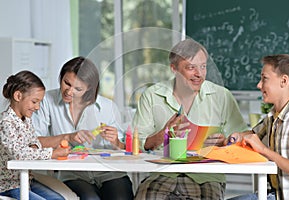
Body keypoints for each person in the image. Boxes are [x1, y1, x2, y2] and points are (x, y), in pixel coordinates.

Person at [132, 38, 248, 199]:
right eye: (191, 68)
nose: (199, 74)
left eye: (203, 67)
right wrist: (163, 134)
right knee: (146, 196)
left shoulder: (222, 96)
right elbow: (136, 144)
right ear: (174, 69)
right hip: (162, 174)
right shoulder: (152, 95)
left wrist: (225, 143)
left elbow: (244, 138)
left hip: (206, 176)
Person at [32, 56, 134, 200]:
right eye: (66, 83)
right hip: (72, 173)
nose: (69, 91)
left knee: (120, 197)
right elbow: (34, 142)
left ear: (89, 89)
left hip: (109, 172)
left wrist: (116, 141)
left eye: (78, 89)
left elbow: (127, 149)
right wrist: (67, 137)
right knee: (89, 198)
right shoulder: (47, 101)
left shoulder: (107, 106)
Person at [226, 54, 289, 200]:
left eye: (264, 79)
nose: (259, 85)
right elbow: (253, 134)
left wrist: (264, 150)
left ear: (283, 81)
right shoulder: (273, 117)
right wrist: (237, 137)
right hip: (270, 194)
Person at [0, 70, 69, 200]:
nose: (37, 107)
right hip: (8, 185)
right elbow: (19, 154)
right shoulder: (6, 123)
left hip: (25, 180)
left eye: (39, 102)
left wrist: (32, 147)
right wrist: (52, 153)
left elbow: (35, 141)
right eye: (34, 101)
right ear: (18, 96)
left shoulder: (26, 120)